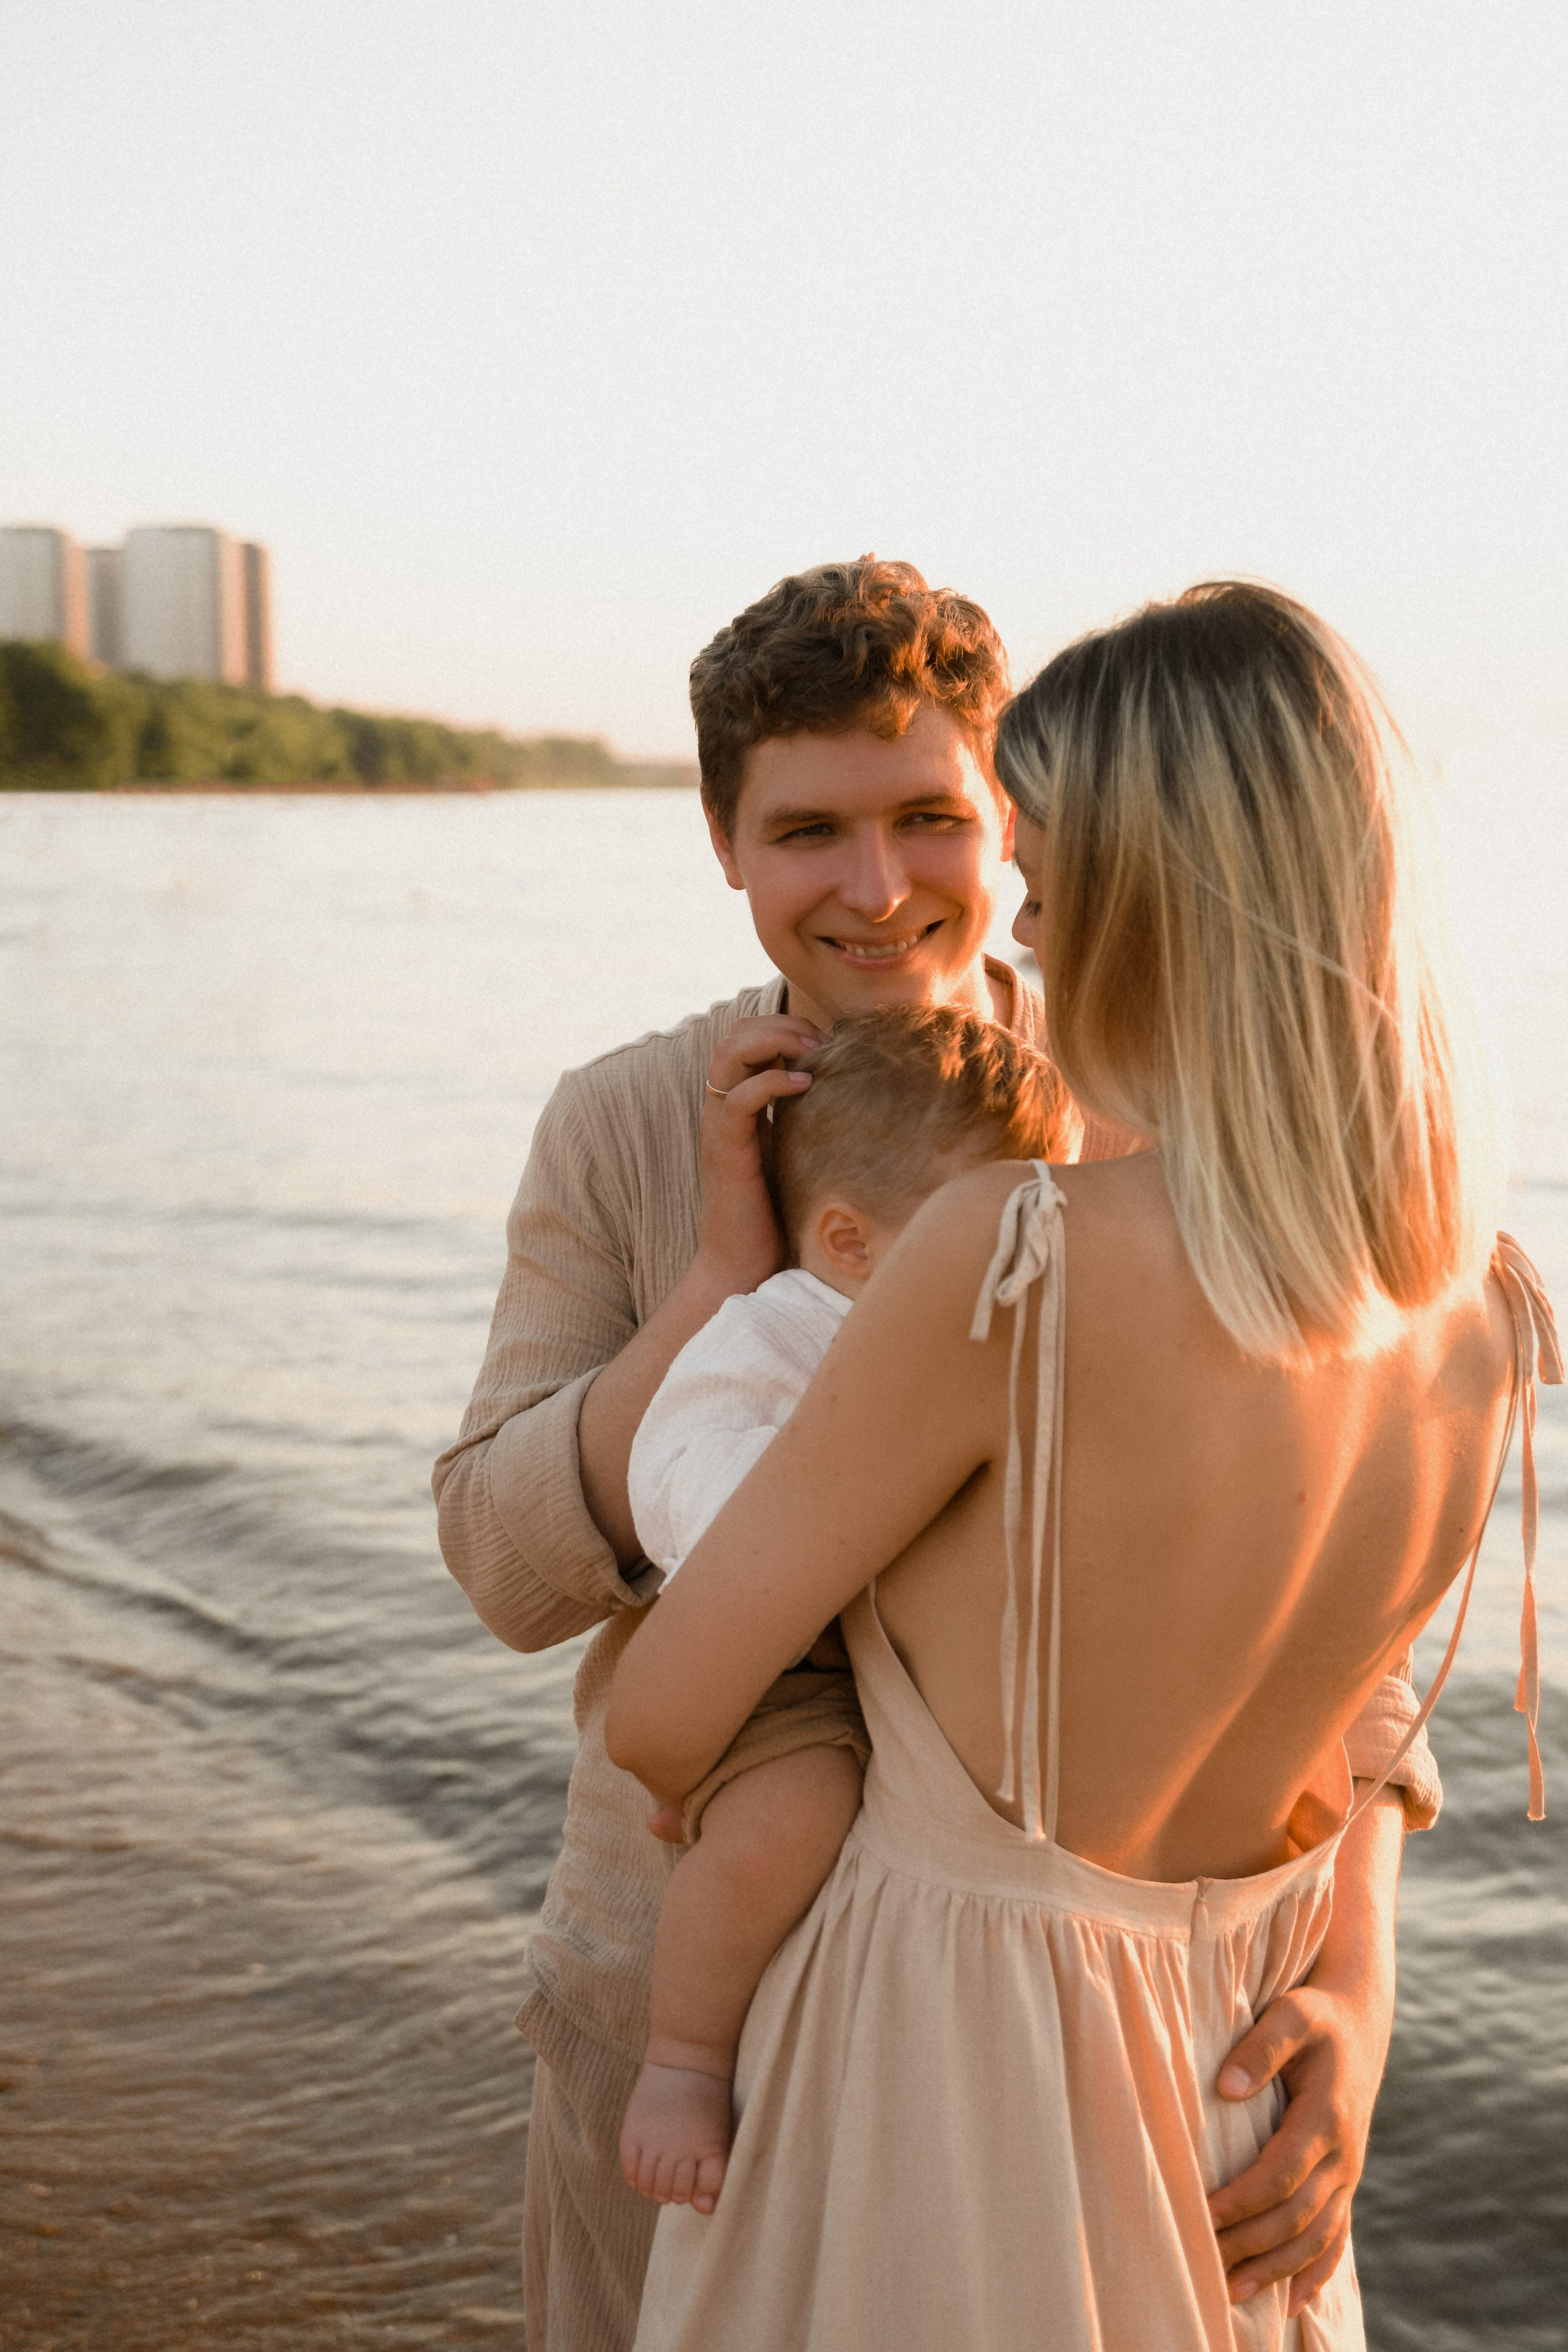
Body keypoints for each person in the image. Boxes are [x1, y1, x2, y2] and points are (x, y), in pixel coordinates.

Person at [433, 560, 1442, 2352]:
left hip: (1048, 2022)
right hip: (675, 1972)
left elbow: (1338, 1614)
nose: (881, 887)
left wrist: (1356, 1987)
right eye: (811, 830)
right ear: (724, 845)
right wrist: (717, 1299)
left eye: (933, 818)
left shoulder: (1149, 1106)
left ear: (1020, 825)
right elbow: (506, 1571)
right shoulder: (624, 1120)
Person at [620, 1006, 1080, 2214]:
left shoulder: (990, 1334)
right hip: (783, 1664)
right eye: (999, 1229)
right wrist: (830, 1514)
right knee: (789, 1814)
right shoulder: (774, 1335)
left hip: (920, 1672)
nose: (1034, 1259)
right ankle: (683, 2057)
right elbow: (673, 1475)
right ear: (849, 1241)